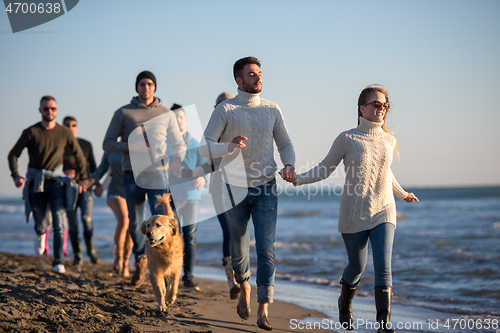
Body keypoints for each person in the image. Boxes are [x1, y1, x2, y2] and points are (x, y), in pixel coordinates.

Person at [290, 85, 419, 333]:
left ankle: (384, 325)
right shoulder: (347, 138)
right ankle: (344, 303)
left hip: (384, 210)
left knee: (384, 266)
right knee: (356, 267)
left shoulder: (389, 140)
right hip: (353, 212)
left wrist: (402, 194)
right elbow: (324, 168)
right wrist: (298, 179)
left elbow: (385, 172)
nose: (382, 109)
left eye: (385, 105)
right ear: (362, 108)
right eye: (376, 104)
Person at [200, 57, 296, 331]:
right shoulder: (225, 109)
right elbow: (205, 146)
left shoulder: (272, 109)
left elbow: (285, 143)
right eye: (251, 74)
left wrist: (288, 163)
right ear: (239, 80)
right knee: (239, 248)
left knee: (267, 248)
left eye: (259, 73)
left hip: (266, 186)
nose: (258, 78)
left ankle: (264, 307)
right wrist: (228, 146)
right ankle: (244, 288)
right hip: (234, 187)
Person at [103, 71, 186, 287]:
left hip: (158, 174)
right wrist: (130, 147)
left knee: (163, 221)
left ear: (155, 87)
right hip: (131, 175)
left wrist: (177, 161)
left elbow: (179, 145)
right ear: (137, 87)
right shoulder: (123, 113)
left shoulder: (166, 113)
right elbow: (107, 143)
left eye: (150, 84)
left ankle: (165, 263)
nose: (146, 87)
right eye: (142, 84)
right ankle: (140, 258)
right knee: (135, 224)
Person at [7, 95, 89, 274]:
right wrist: (15, 176)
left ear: (56, 110)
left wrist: (83, 178)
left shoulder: (64, 132)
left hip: (58, 184)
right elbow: (13, 154)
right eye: (46, 109)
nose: (49, 112)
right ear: (40, 110)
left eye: (52, 108)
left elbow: (79, 156)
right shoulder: (31, 132)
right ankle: (40, 233)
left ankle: (58, 261)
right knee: (40, 223)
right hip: (36, 183)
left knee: (59, 224)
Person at [181, 92, 240, 298]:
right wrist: (203, 177)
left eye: (228, 103)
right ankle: (231, 280)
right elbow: (204, 162)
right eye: (220, 104)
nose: (225, 107)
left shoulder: (244, 129)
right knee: (229, 232)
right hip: (219, 188)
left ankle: (240, 276)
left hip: (242, 188)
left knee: (240, 233)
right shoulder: (210, 134)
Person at [168, 103, 207, 289]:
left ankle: (188, 276)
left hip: (192, 197)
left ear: (186, 120)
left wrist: (203, 178)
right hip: (171, 198)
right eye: (174, 118)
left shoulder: (195, 144)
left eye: (180, 117)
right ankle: (170, 274)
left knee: (190, 237)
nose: (178, 121)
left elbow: (205, 166)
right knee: (171, 237)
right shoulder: (165, 144)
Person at [62, 116, 99, 266]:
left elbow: (94, 167)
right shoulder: (59, 146)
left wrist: (96, 184)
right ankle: (77, 255)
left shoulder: (86, 144)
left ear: (77, 127)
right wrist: (63, 172)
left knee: (86, 220)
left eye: (73, 125)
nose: (70, 127)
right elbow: (54, 167)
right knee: (73, 225)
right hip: (68, 189)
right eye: (67, 125)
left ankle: (90, 250)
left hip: (86, 189)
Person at [89, 152, 132, 277]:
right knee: (124, 221)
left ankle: (126, 263)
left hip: (133, 194)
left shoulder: (141, 147)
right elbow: (104, 170)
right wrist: (99, 186)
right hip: (115, 193)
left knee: (131, 229)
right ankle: (118, 256)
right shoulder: (112, 151)